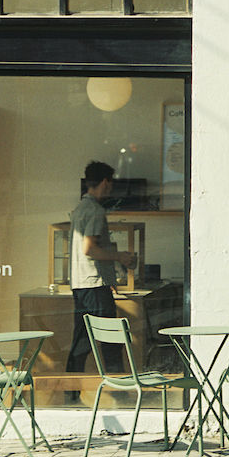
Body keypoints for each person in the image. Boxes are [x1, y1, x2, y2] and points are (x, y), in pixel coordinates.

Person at [65, 160, 137, 375]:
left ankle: (71, 390)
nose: (111, 187)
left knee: (81, 340)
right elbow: (90, 249)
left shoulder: (79, 209)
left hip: (81, 284)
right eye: (111, 183)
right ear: (105, 182)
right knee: (110, 340)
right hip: (95, 285)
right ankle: (120, 390)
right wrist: (120, 257)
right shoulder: (95, 211)